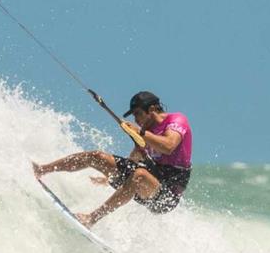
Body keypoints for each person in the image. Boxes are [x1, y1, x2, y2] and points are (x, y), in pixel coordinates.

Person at [32, 91, 192, 227]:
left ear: (151, 109)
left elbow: (169, 145)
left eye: (138, 114)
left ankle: (91, 219)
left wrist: (140, 133)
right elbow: (137, 155)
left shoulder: (176, 120)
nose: (136, 120)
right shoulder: (146, 131)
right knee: (97, 156)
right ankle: (42, 170)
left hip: (166, 196)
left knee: (139, 175)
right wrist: (109, 175)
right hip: (146, 182)